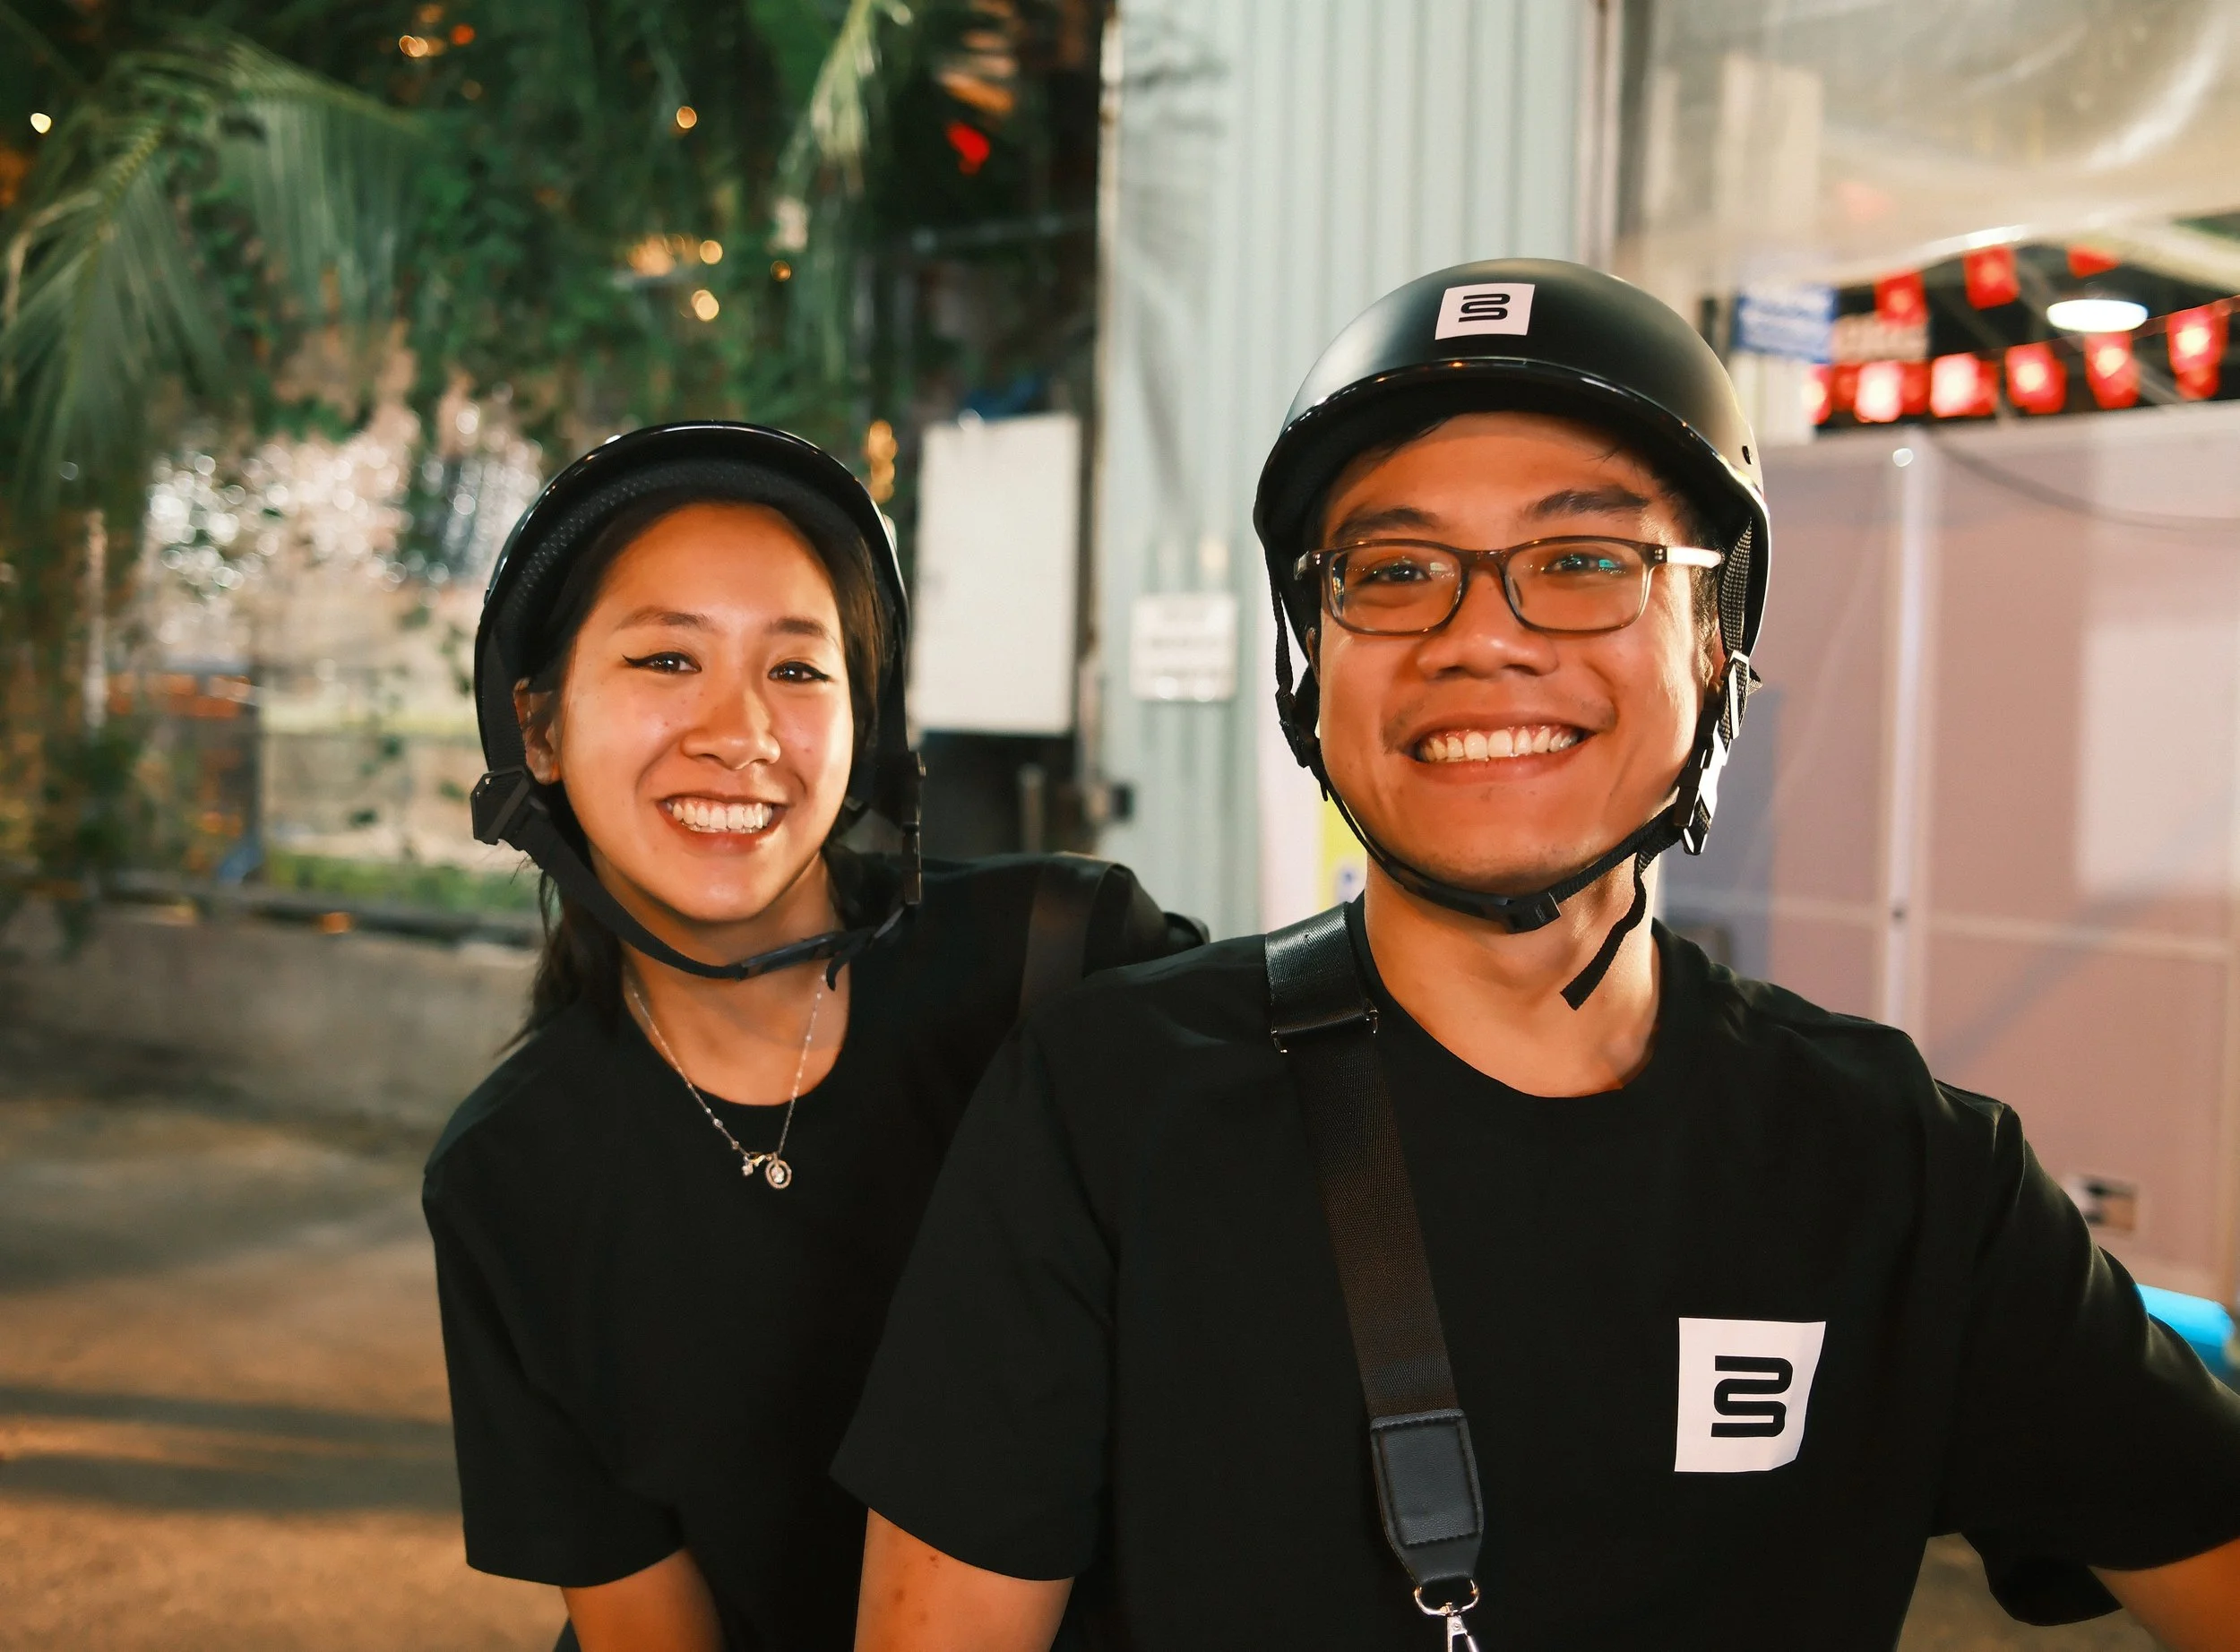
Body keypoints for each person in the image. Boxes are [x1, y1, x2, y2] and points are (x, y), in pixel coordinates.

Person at [833, 262, 2240, 1650]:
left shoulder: (1901, 1168)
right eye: (1393, 572)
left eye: (1582, 561)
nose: (1484, 639)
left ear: (1717, 642)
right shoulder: (1106, 1106)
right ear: (1309, 660)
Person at [422, 423, 1198, 1652]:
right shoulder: (512, 1175)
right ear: (540, 730)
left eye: (797, 670)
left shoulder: (1063, 962)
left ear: (866, 735)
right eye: (668, 658)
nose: (741, 732)